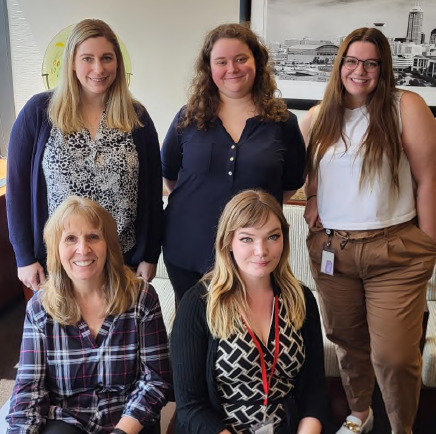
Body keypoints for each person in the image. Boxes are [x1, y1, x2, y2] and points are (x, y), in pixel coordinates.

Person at [300, 27, 436, 434]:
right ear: (339, 64)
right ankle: (360, 413)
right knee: (347, 342)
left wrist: (428, 245)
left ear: (383, 68)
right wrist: (312, 196)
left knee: (393, 356)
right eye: (352, 61)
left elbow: (428, 179)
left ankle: (401, 427)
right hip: (333, 251)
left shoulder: (404, 106)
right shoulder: (317, 116)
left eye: (371, 63)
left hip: (394, 250)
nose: (360, 71)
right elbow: (305, 172)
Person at [6, 19, 163, 292]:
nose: (98, 69)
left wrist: (151, 254)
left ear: (118, 63)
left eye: (106, 58)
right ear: (72, 63)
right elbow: (17, 190)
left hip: (121, 259)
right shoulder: (39, 113)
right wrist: (24, 257)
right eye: (87, 58)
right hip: (59, 261)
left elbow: (152, 192)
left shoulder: (136, 117)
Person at [161, 23, 306, 303]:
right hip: (187, 249)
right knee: (191, 327)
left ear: (257, 61)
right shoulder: (187, 118)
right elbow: (170, 177)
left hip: (254, 259)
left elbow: (288, 185)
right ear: (209, 67)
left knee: (247, 327)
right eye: (221, 61)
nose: (232, 69)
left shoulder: (283, 122)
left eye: (241, 59)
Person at [6, 196, 171, 434]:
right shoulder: (40, 308)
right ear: (56, 248)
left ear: (109, 245)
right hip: (67, 420)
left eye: (93, 237)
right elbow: (28, 391)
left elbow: (155, 381)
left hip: (129, 420)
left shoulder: (142, 298)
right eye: (70, 238)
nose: (83, 249)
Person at [170, 189, 329, 434]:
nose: (261, 250)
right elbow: (190, 406)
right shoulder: (199, 303)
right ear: (228, 242)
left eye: (272, 237)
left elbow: (314, 390)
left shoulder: (301, 299)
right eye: (247, 239)